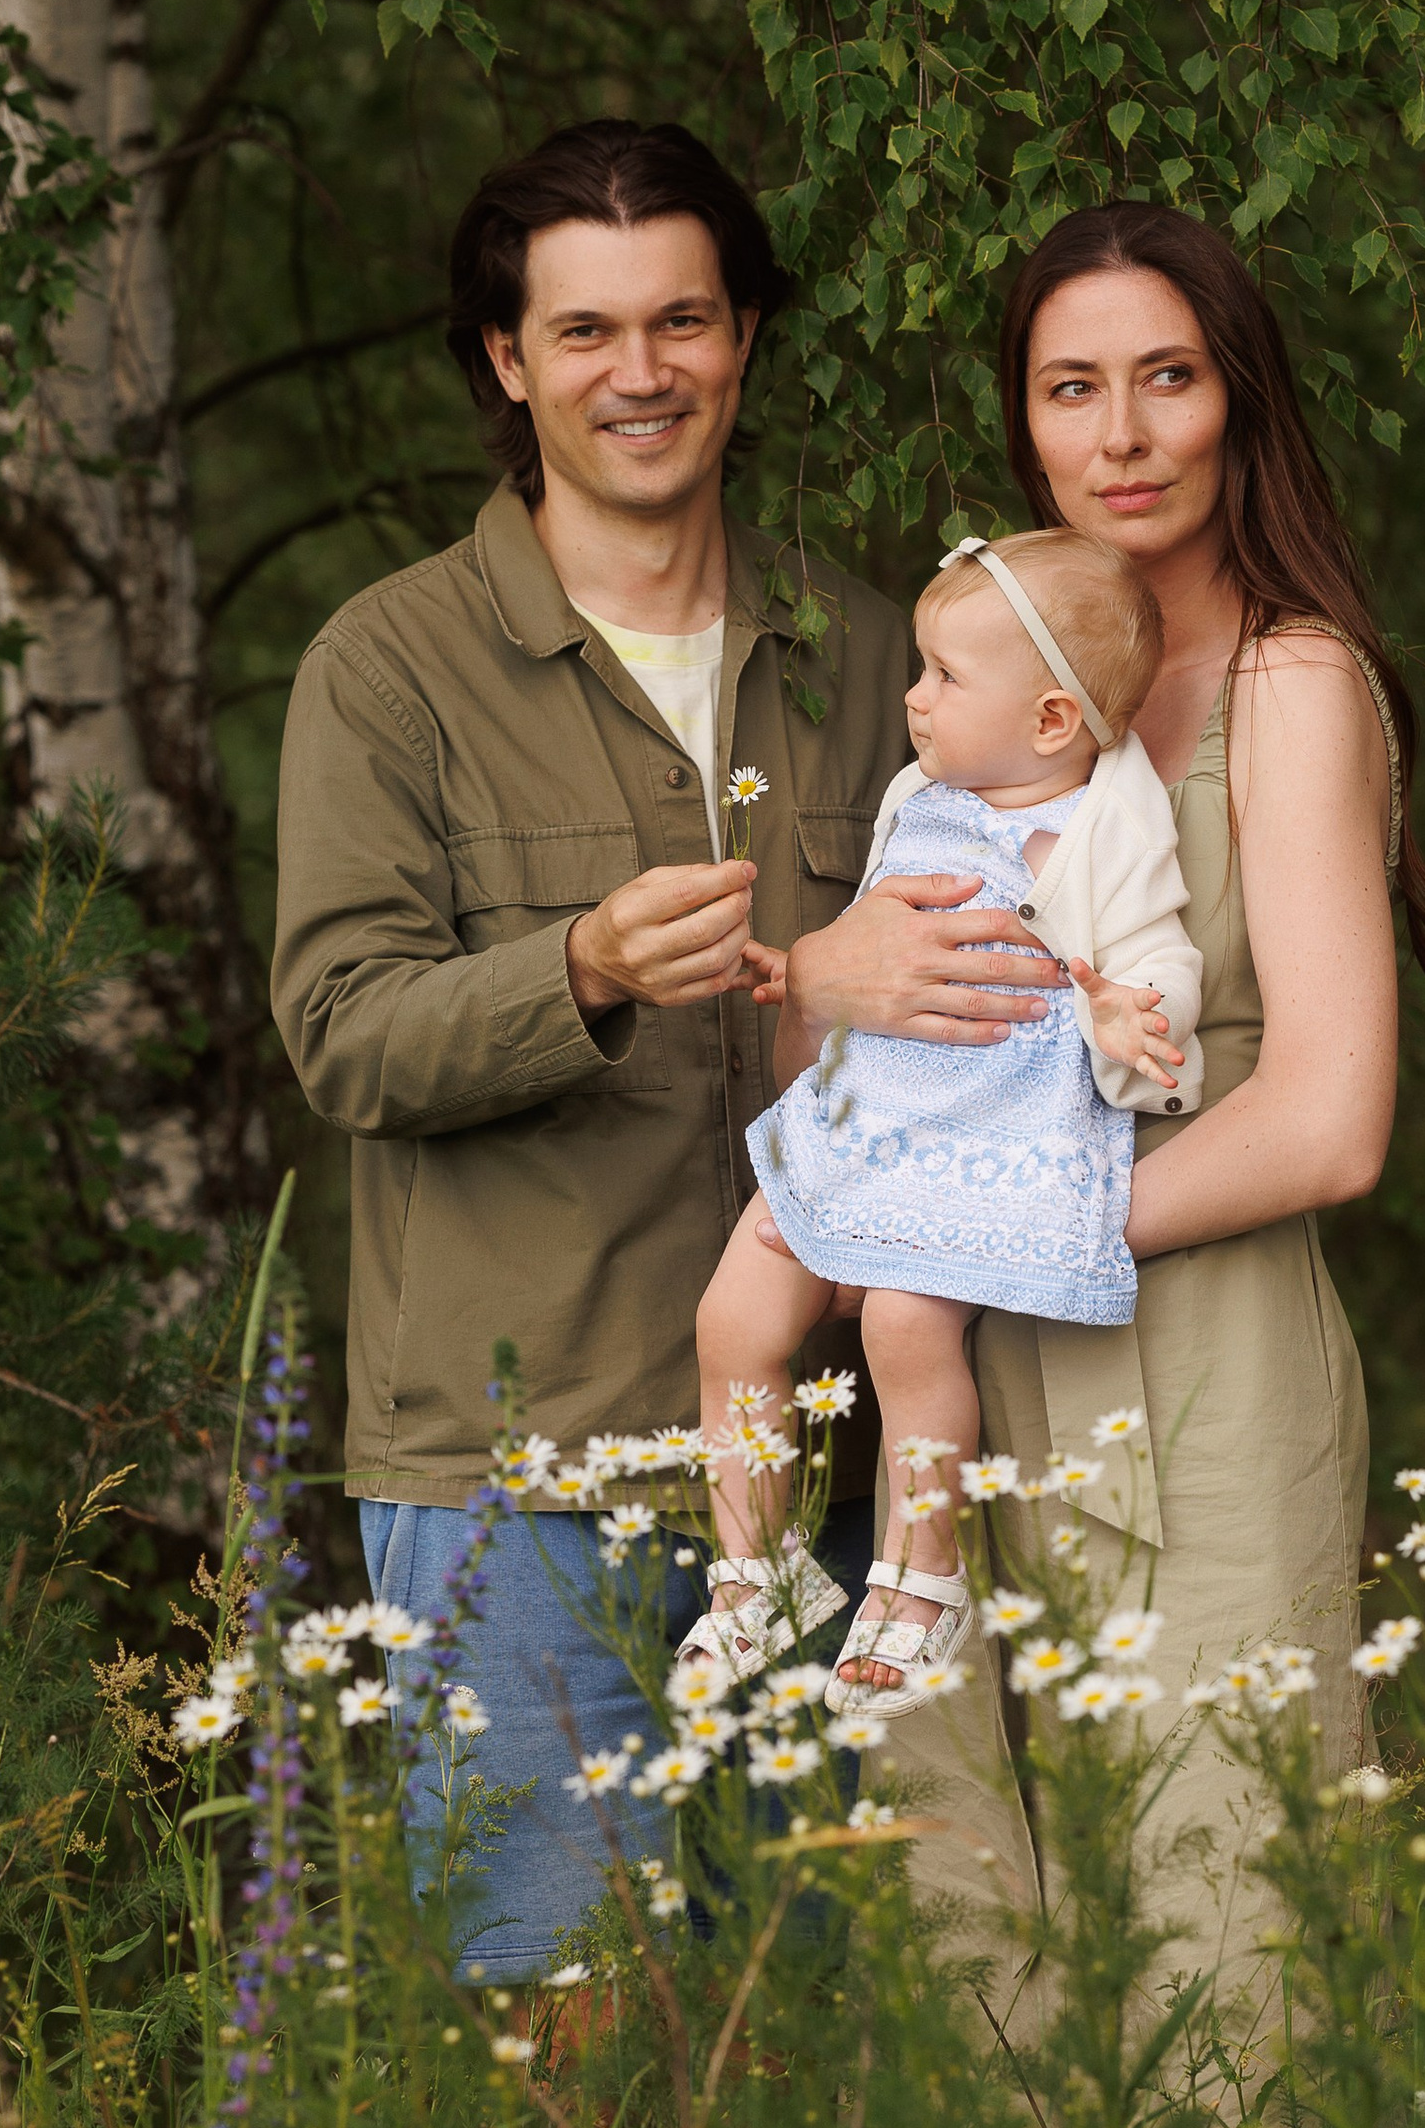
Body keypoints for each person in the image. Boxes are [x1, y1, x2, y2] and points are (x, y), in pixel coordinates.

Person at [269, 120, 1056, 1980]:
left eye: (684, 321)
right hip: (520, 1483)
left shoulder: (881, 656)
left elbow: (1020, 986)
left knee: (856, 2064)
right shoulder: (390, 668)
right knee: (565, 2062)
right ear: (508, 360)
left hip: (848, 1477)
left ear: (748, 337)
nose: (643, 374)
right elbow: (344, 1036)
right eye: (588, 332)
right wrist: (587, 965)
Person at [785, 199, 1425, 2128]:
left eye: (1164, 376)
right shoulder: (991, 680)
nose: (1121, 432)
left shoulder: (1285, 684)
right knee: (973, 1873)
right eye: (1068, 386)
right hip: (972, 1355)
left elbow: (1328, 1119)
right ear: (1021, 419)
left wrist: (996, 1221)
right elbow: (897, 1007)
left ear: (1235, 395)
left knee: (1215, 1906)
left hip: (1196, 1355)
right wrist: (827, 988)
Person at [679, 530, 1199, 1716]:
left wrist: (1132, 1014)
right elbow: (879, 937)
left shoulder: (1111, 828)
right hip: (867, 1113)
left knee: (909, 1329)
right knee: (733, 1315)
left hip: (987, 1126)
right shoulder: (922, 796)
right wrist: (814, 979)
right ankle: (755, 1570)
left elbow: (1157, 952)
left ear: (1054, 720)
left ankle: (920, 1578)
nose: (911, 699)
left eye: (944, 678)